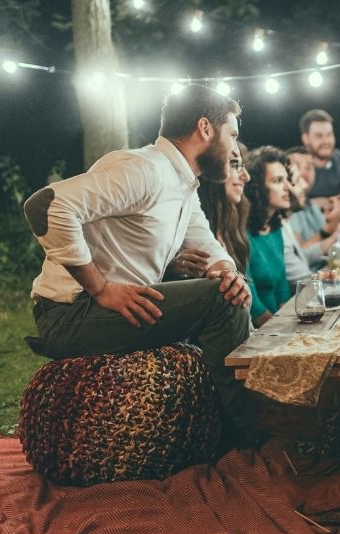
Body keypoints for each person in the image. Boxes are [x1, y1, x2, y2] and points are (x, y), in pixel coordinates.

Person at [23, 83, 254, 447]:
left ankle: (233, 421)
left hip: (109, 311)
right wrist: (100, 287)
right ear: (205, 129)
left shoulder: (182, 185)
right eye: (233, 135)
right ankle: (251, 434)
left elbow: (207, 244)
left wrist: (228, 272)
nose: (235, 149)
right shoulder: (145, 170)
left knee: (230, 290)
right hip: (70, 315)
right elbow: (46, 206)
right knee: (221, 302)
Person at [169, 142, 252, 278]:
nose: (246, 176)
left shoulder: (233, 221)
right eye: (235, 165)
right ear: (212, 169)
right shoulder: (187, 223)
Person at [244, 146, 293, 328]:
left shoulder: (274, 227)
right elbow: (254, 308)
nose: (288, 187)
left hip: (278, 324)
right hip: (257, 332)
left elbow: (282, 288)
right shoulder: (241, 233)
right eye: (278, 181)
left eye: (287, 179)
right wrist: (282, 332)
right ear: (257, 187)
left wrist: (290, 324)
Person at [300, 109, 340, 232]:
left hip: (339, 228)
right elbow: (292, 206)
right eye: (319, 136)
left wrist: (315, 203)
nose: (326, 141)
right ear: (306, 138)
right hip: (305, 231)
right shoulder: (297, 161)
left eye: (329, 134)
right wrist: (337, 202)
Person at [285, 145, 337, 269]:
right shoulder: (290, 208)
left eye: (309, 167)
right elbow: (296, 256)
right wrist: (329, 233)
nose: (303, 173)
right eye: (297, 167)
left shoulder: (311, 205)